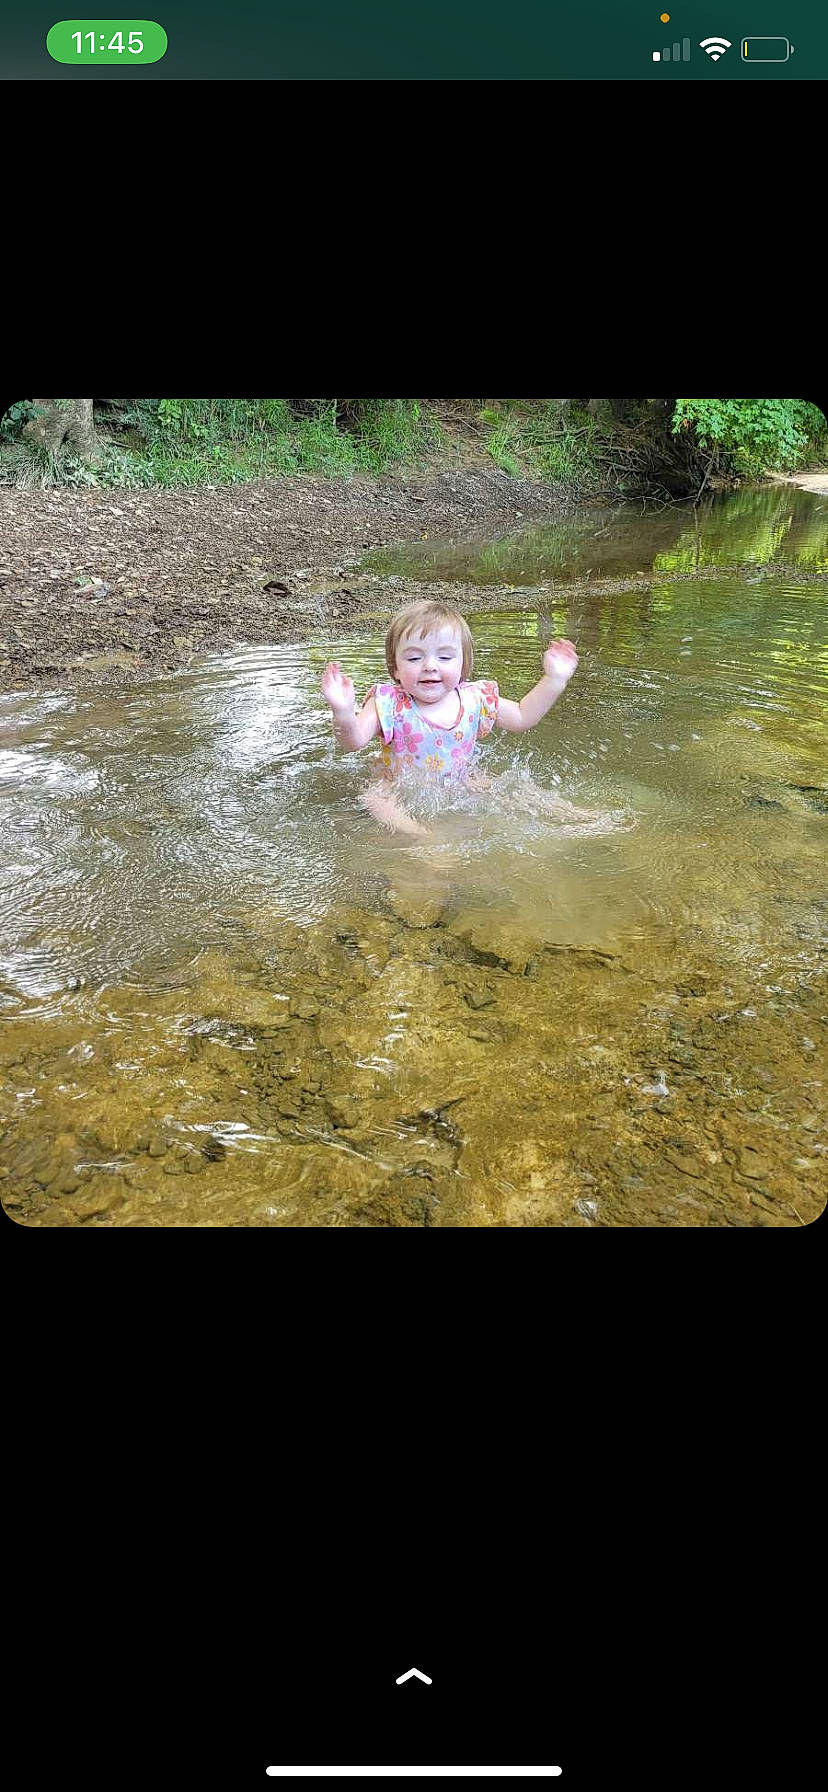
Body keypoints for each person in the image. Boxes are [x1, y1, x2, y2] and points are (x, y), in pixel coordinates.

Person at [320, 597, 594, 839]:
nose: (430, 665)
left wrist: (554, 679)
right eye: (414, 658)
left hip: (461, 779)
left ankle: (575, 815)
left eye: (444, 656)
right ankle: (422, 836)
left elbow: (523, 716)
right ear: (396, 668)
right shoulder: (389, 703)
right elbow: (352, 741)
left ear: (463, 664)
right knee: (375, 799)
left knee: (512, 791)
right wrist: (343, 711)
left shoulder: (476, 699)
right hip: (397, 784)